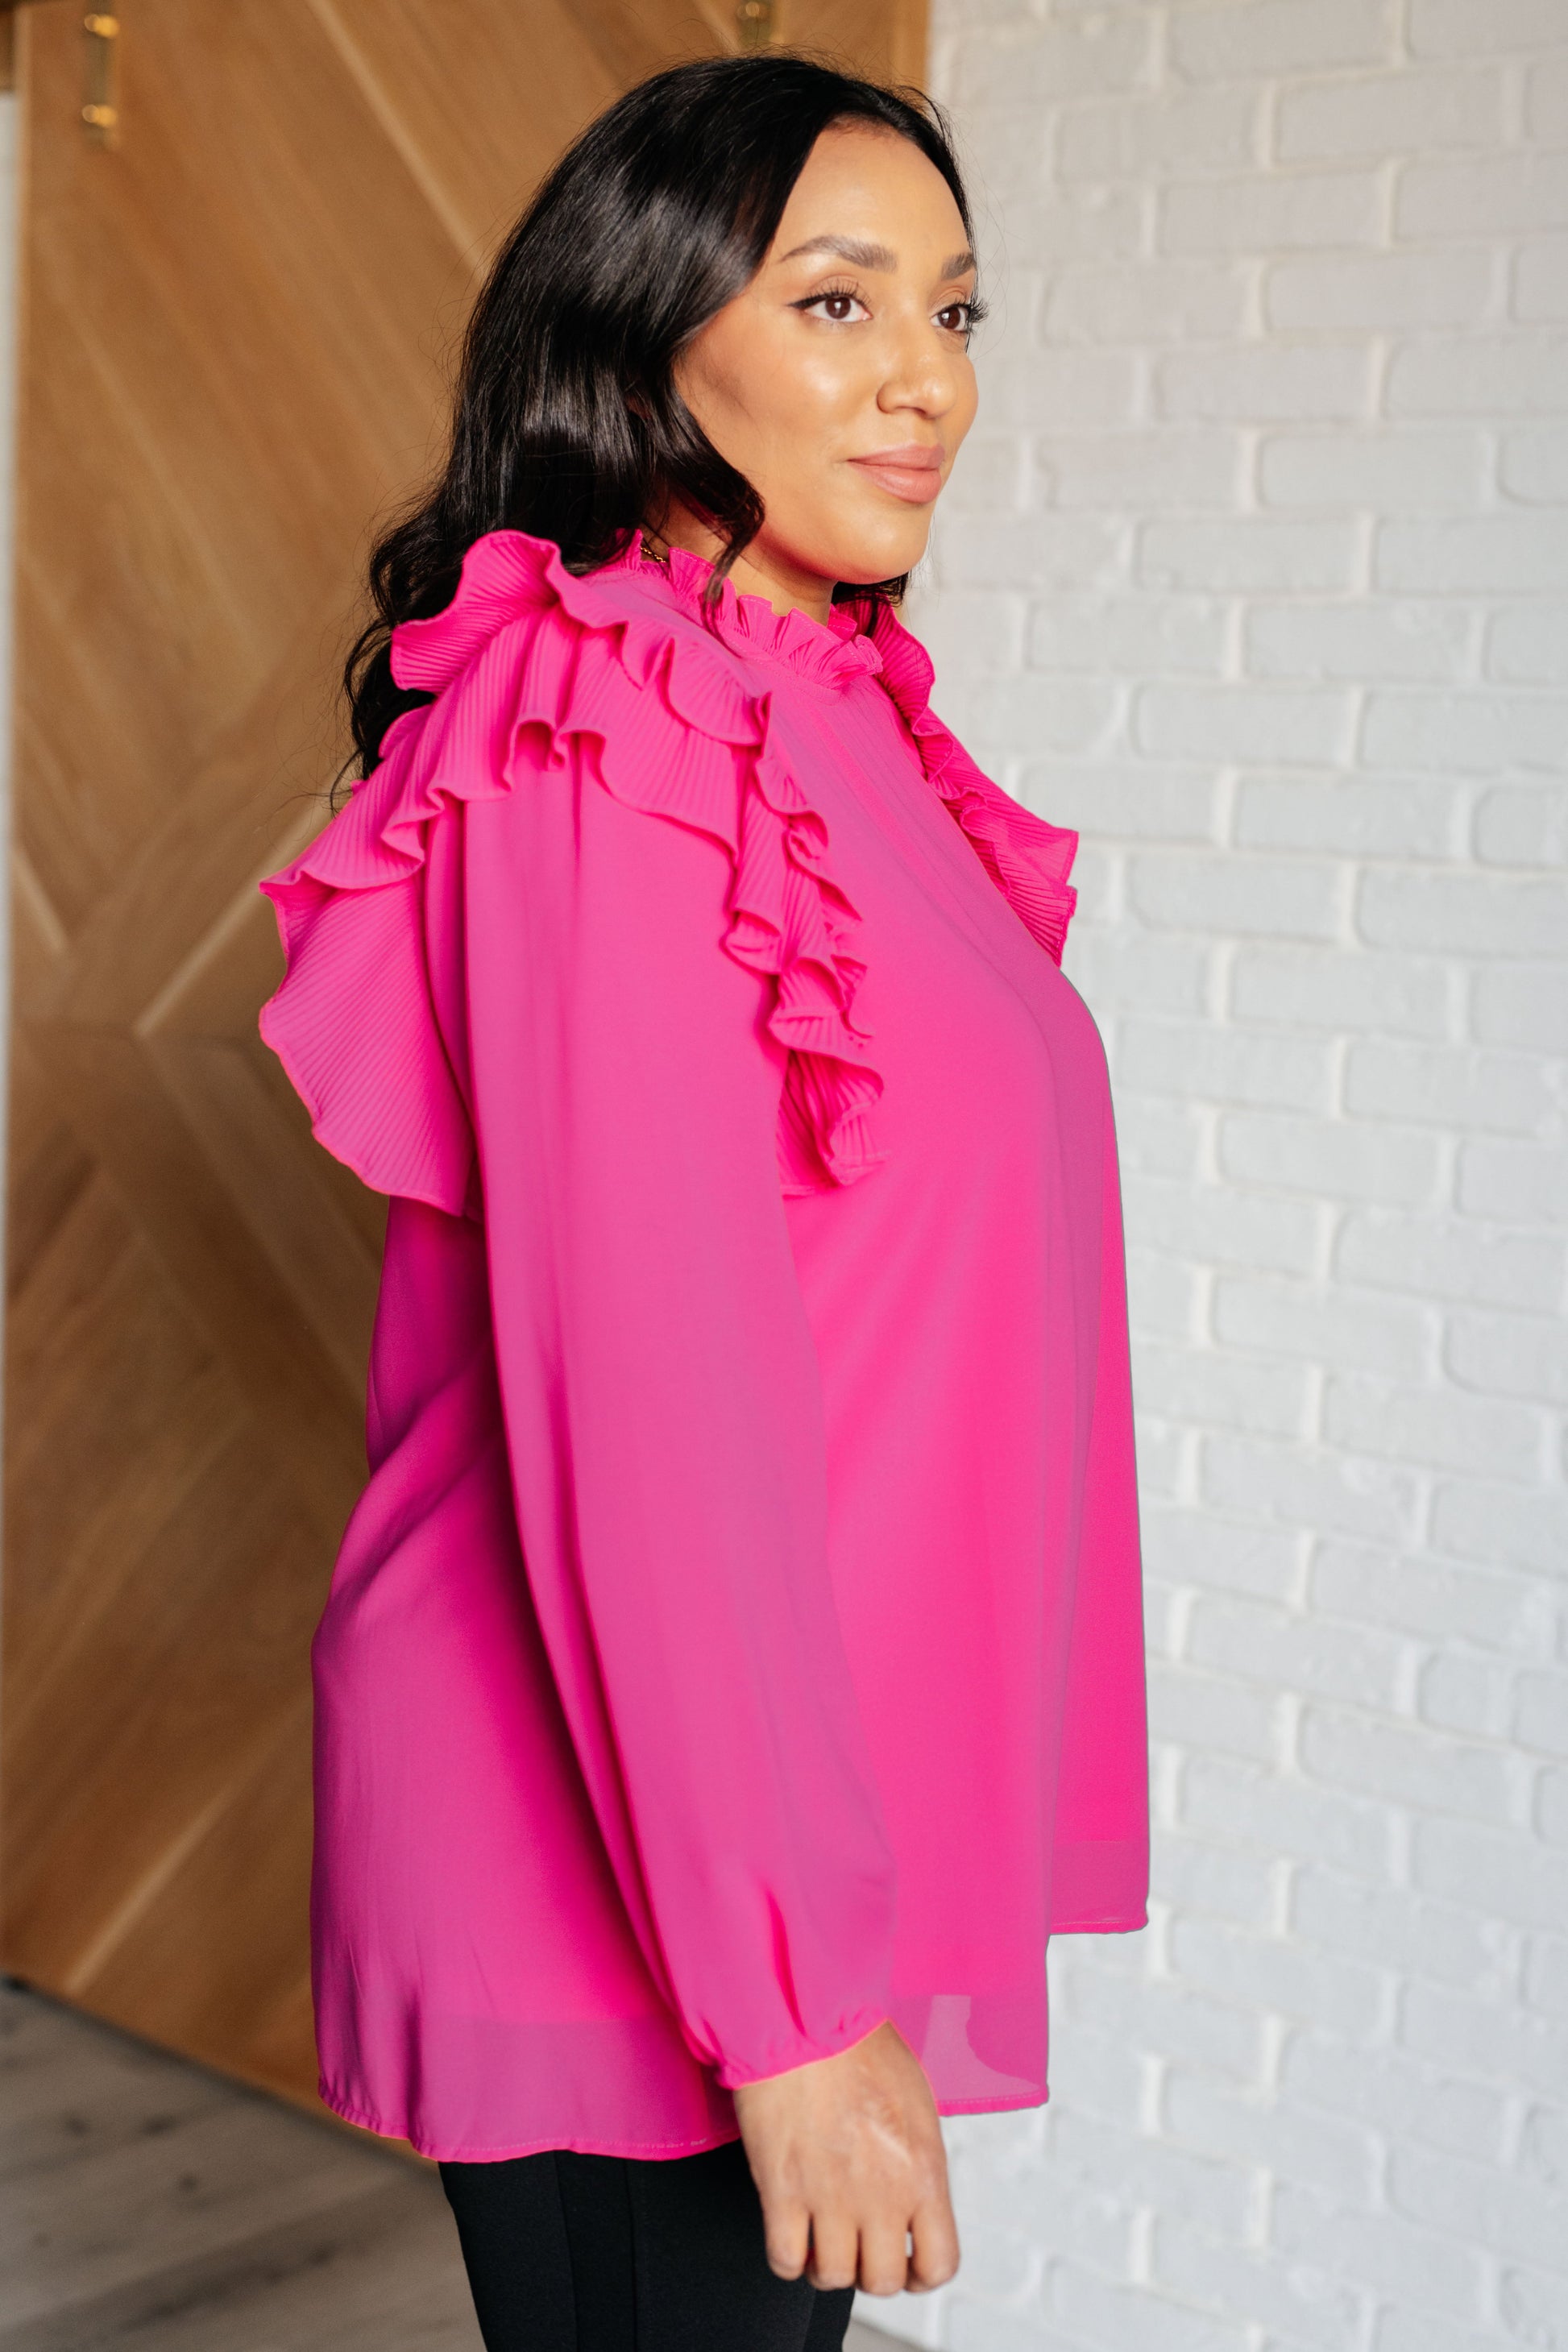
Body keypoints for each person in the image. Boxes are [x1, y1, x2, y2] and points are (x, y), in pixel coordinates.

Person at [257, 50, 1149, 2352]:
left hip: (769, 1806)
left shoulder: (838, 701)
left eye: (956, 312)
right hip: (621, 1854)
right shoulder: (599, 718)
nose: (926, 383)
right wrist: (781, 2004)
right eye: (840, 306)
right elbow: (649, 1391)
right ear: (649, 335)